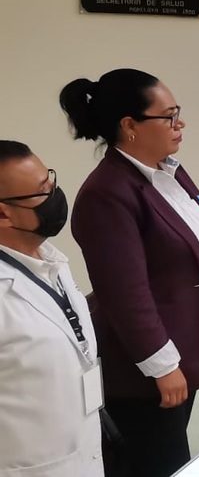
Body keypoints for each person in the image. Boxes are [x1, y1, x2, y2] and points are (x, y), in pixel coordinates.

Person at [60, 68, 199, 477]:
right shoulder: (107, 192)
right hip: (143, 368)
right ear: (130, 126)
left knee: (169, 457)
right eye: (169, 116)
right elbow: (125, 292)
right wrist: (162, 365)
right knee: (158, 464)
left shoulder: (168, 173)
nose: (180, 124)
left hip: (185, 345)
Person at [0, 141, 103, 476]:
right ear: (3, 214)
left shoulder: (51, 262)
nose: (55, 196)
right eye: (43, 192)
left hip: (81, 453)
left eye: (51, 181)